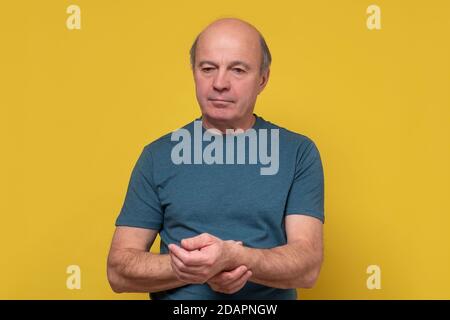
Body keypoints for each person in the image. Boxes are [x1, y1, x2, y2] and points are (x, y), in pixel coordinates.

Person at [107, 17, 325, 300]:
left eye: (237, 69)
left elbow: (307, 267)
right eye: (207, 68)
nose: (220, 83)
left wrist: (236, 257)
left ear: (262, 79)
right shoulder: (157, 156)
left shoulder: (298, 153)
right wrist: (190, 266)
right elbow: (118, 271)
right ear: (194, 72)